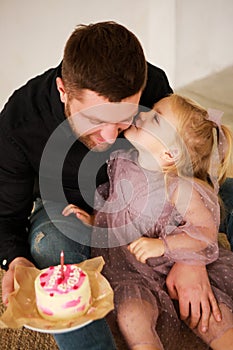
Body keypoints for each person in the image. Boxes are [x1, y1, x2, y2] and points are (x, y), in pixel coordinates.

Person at [0, 20, 231, 349]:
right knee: (50, 245)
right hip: (74, 213)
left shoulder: (153, 85)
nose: (111, 138)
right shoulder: (20, 121)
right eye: (95, 120)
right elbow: (6, 217)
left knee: (225, 193)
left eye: (126, 117)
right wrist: (17, 261)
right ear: (64, 90)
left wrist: (191, 258)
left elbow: (189, 157)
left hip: (156, 207)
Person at [63, 94, 233, 350]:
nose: (142, 113)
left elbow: (204, 232)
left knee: (209, 314)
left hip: (169, 268)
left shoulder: (178, 188)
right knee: (132, 315)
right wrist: (95, 219)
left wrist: (162, 245)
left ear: (169, 153)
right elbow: (116, 209)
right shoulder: (122, 162)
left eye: (155, 118)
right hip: (127, 272)